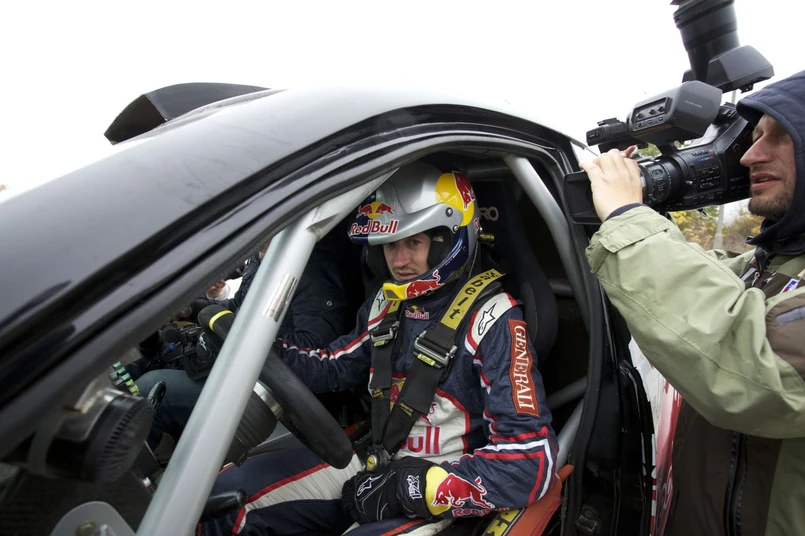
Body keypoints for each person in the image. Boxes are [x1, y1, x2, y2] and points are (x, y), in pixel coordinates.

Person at [199, 161, 557, 536]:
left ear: (447, 240)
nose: (399, 261)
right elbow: (330, 368)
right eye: (389, 245)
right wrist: (254, 343)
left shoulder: (495, 319)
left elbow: (529, 462)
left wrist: (409, 488)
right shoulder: (386, 304)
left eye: (414, 242)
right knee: (223, 502)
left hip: (442, 481)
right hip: (376, 458)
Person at [579, 70, 805, 536]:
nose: (750, 156)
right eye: (753, 138)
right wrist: (629, 211)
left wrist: (627, 217)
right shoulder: (768, 264)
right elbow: (700, 278)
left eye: (780, 135)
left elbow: (752, 372)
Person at [136, 241, 351, 449]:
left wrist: (248, 340)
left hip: (266, 388)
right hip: (234, 361)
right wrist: (191, 310)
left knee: (148, 389)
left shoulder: (311, 267)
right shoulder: (262, 254)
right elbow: (238, 307)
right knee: (142, 367)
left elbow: (314, 349)